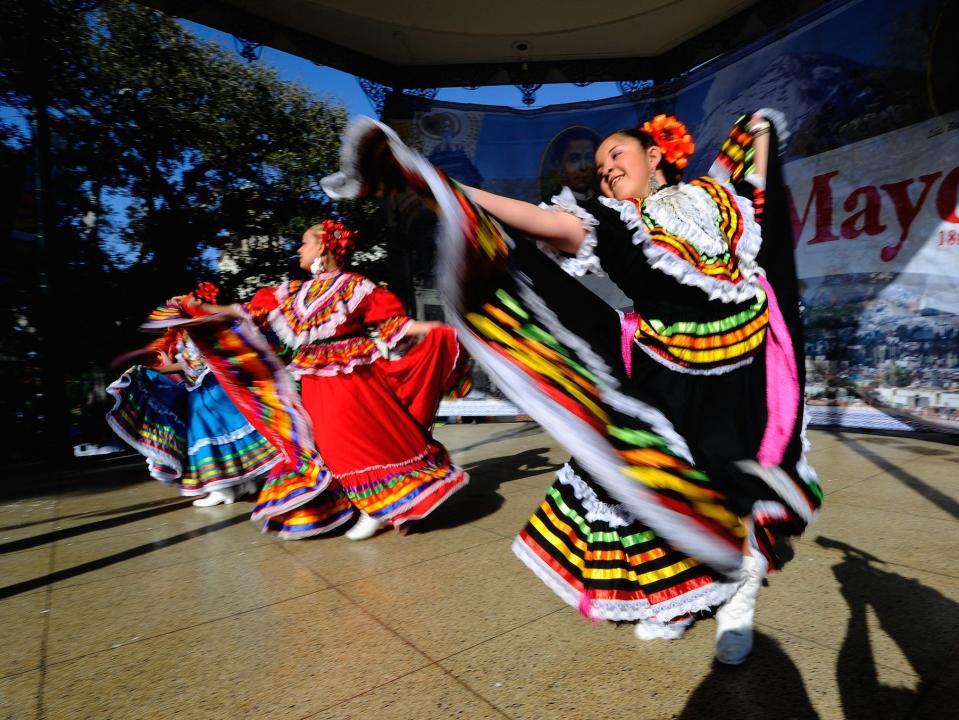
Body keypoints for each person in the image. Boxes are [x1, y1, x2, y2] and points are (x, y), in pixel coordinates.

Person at [321, 109, 821, 664]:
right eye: (600, 164)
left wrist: (760, 127)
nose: (606, 169)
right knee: (654, 479)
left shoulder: (716, 195)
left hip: (747, 364)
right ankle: (683, 595)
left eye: (617, 156)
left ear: (654, 156)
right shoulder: (609, 221)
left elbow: (761, 184)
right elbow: (540, 223)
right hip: (665, 370)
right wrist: (443, 186)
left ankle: (739, 599)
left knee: (742, 480)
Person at [187, 221, 471, 540]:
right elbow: (249, 312)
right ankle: (361, 503)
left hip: (351, 374)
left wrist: (432, 329)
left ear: (322, 246)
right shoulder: (294, 291)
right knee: (326, 442)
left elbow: (394, 326)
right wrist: (206, 308)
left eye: (304, 243)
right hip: (314, 376)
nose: (299, 249)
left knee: (351, 439)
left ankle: (375, 507)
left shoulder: (356, 286)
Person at [106, 283, 280, 506]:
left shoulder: (204, 330)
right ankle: (236, 484)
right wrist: (152, 370)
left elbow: (200, 362)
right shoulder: (187, 335)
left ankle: (225, 488)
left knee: (204, 433)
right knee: (215, 434)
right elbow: (185, 364)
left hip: (212, 389)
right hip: (204, 389)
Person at [538, 125, 601, 203]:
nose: (583, 166)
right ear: (559, 166)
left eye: (589, 158)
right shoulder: (552, 206)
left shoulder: (605, 202)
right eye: (574, 159)